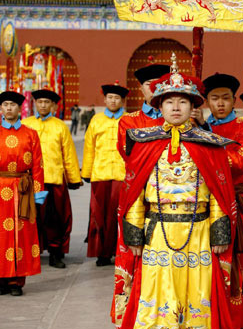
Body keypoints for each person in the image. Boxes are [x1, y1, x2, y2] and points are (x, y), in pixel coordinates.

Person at [113, 67, 238, 329]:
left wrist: (220, 229)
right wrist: (133, 231)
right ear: (159, 106)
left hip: (200, 232)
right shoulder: (143, 142)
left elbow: (219, 189)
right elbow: (134, 190)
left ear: (194, 106)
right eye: (169, 102)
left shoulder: (210, 145)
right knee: (157, 292)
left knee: (198, 292)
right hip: (158, 232)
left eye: (183, 102)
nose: (176, 107)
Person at [203, 73, 243, 329]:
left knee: (236, 268)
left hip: (237, 206)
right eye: (215, 98)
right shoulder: (196, 127)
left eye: (226, 98)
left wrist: (205, 141)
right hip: (203, 208)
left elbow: (240, 163)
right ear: (206, 101)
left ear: (234, 100)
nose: (221, 103)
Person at [22, 89, 81, 268]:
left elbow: (69, 154)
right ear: (35, 104)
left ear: (53, 105)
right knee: (32, 218)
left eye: (47, 102)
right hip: (31, 180)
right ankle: (33, 251)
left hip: (54, 179)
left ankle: (56, 253)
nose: (43, 105)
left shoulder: (60, 126)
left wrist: (73, 178)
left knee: (56, 218)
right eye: (39, 102)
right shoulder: (25, 124)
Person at [0, 91, 46, 296]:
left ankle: (16, 282)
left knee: (21, 235)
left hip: (23, 188)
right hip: (0, 187)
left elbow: (38, 166)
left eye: (12, 105)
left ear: (20, 109)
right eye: (5, 104)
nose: (9, 108)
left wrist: (37, 195)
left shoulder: (30, 133)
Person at [81, 84, 128, 266]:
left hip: (121, 174)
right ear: (105, 99)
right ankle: (102, 253)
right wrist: (86, 171)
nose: (113, 101)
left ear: (122, 101)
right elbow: (89, 147)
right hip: (100, 174)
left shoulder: (128, 120)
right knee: (99, 214)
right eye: (110, 97)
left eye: (117, 98)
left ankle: (120, 251)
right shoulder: (96, 120)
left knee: (119, 215)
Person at [117, 62, 170, 161]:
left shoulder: (178, 118)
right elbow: (127, 155)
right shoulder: (128, 121)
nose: (154, 89)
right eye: (149, 84)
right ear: (141, 88)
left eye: (158, 84)